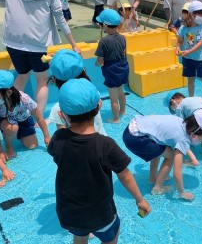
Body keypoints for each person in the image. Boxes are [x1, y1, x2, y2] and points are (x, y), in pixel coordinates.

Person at [48, 78, 151, 244]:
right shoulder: (105, 145)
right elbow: (125, 175)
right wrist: (139, 199)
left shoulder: (58, 139)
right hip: (100, 213)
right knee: (111, 235)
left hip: (70, 212)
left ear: (62, 115)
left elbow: (59, 157)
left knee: (79, 237)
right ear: (99, 107)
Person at [0, 0, 81, 116]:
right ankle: (39, 119)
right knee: (42, 80)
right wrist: (74, 45)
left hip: (13, 40)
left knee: (22, 75)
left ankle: (11, 112)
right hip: (38, 43)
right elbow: (60, 20)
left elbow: (1, 2)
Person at [122, 110, 202, 201]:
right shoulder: (183, 139)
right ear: (195, 134)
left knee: (160, 146)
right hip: (136, 139)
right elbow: (177, 173)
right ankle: (157, 188)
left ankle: (153, 178)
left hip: (131, 129)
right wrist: (182, 193)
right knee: (171, 155)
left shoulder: (180, 121)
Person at [0, 70, 50, 163]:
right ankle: (8, 144)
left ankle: (18, 134)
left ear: (9, 92)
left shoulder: (24, 98)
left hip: (24, 120)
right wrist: (0, 151)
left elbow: (38, 117)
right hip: (7, 123)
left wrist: (46, 136)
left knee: (32, 146)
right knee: (12, 128)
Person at [47, 49, 107, 136]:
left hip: (78, 148)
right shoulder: (93, 93)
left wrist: (58, 60)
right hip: (101, 139)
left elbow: (63, 136)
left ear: (54, 80)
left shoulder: (58, 108)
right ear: (84, 71)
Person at [176, 1, 202, 104]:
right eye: (200, 14)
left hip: (200, 58)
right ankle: (191, 97)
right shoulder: (183, 28)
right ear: (192, 14)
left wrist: (189, 51)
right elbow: (179, 41)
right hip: (188, 58)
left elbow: (200, 43)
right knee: (190, 79)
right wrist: (178, 48)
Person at [95, 9, 129, 124]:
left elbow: (99, 60)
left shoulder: (103, 42)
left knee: (113, 98)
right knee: (121, 92)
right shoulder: (122, 38)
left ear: (105, 25)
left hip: (111, 69)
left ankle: (116, 119)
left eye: (101, 25)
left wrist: (97, 64)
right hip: (123, 67)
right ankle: (123, 112)